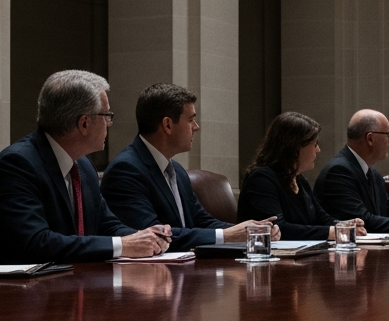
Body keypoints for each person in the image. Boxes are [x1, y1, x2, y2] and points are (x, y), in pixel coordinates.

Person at [0, 70, 171, 262]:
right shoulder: (17, 165)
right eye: (106, 115)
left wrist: (146, 237)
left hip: (74, 277)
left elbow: (107, 225)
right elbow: (36, 243)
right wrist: (122, 245)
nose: (109, 123)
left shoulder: (83, 165)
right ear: (84, 123)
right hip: (20, 282)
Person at [104, 83, 278, 251]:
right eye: (191, 120)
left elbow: (201, 221)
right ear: (167, 125)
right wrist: (227, 235)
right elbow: (153, 235)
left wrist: (252, 230)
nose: (196, 127)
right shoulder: (126, 170)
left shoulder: (177, 170)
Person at [236, 111, 364, 240]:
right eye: (315, 144)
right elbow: (278, 228)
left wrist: (344, 225)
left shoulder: (299, 179)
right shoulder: (261, 179)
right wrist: (332, 232)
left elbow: (322, 218)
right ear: (295, 147)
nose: (318, 150)